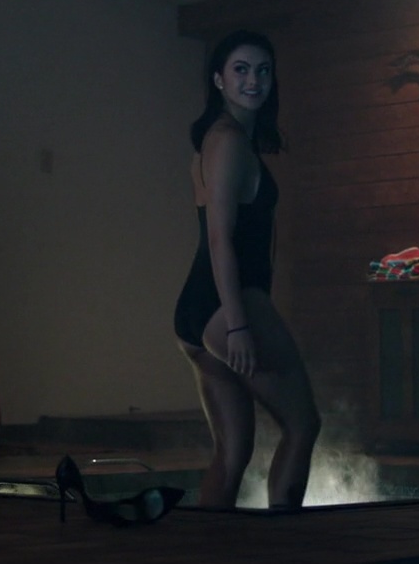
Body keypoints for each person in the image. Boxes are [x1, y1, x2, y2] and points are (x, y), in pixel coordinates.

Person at [174, 30, 321, 510]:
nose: (253, 80)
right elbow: (220, 236)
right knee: (302, 425)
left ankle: (207, 544)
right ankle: (281, 543)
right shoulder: (229, 140)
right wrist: (238, 324)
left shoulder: (221, 139)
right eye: (240, 69)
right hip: (227, 305)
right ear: (218, 79)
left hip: (199, 307)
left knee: (234, 451)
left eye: (263, 70)